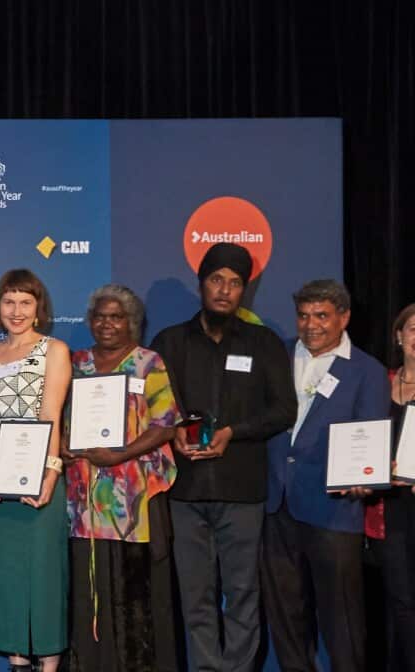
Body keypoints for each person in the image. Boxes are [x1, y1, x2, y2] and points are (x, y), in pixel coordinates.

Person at [149, 242, 296, 672]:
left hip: (242, 490)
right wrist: (171, 430)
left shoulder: (263, 342)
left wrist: (234, 432)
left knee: (243, 593)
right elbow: (154, 407)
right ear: (202, 285)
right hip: (186, 491)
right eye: (217, 280)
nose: (225, 290)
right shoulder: (170, 341)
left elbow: (283, 409)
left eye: (234, 283)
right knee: (195, 597)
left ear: (243, 291)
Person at [261, 280, 387, 672]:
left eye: (321, 316)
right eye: (303, 315)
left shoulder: (367, 370)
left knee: (341, 620)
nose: (310, 325)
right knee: (285, 615)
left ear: (343, 317)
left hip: (334, 507)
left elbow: (371, 432)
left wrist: (369, 475)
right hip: (276, 503)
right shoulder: (277, 355)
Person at [62, 285, 180, 672]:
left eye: (116, 317)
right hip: (84, 503)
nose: (107, 324)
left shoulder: (149, 363)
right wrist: (63, 444)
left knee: (134, 597)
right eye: (99, 316)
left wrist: (120, 455)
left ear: (131, 322)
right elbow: (61, 423)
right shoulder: (76, 363)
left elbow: (164, 425)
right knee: (87, 592)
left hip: (133, 502)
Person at [0, 269, 72, 672]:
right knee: (5, 571)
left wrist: (50, 472)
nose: (16, 311)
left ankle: (48, 664)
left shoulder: (54, 350)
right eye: (9, 302)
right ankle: (17, 660)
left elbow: (50, 413)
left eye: (25, 302)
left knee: (44, 570)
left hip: (39, 459)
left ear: (39, 308)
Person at [384, 302, 415, 668]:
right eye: (412, 329)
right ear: (398, 336)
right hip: (389, 508)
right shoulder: (378, 381)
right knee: (401, 602)